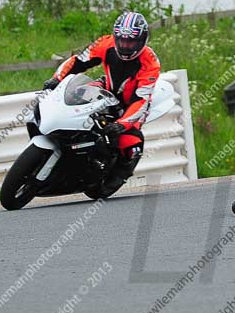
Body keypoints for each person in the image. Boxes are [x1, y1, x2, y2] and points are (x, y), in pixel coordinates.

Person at [43, 11, 161, 195]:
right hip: (106, 87)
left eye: (130, 42)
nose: (125, 46)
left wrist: (122, 125)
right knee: (76, 94)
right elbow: (78, 62)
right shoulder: (105, 43)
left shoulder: (150, 62)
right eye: (121, 40)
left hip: (131, 104)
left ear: (142, 40)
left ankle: (115, 176)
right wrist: (57, 79)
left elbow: (141, 100)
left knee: (132, 144)